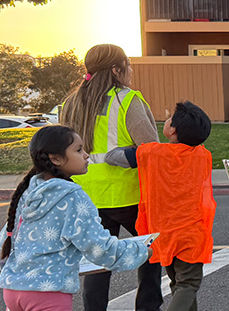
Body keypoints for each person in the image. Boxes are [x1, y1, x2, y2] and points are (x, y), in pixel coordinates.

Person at [0, 126, 151, 311]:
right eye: (78, 150)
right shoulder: (72, 196)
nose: (86, 155)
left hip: (13, 290)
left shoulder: (28, 191)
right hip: (49, 294)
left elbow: (3, 243)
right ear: (56, 159)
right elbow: (99, 248)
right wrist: (142, 251)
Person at [60, 44, 163, 311]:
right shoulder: (127, 100)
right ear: (117, 70)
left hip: (86, 196)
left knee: (97, 263)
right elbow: (151, 148)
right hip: (128, 194)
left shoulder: (70, 104)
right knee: (150, 253)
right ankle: (147, 307)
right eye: (127, 65)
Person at [104, 101, 215, 311]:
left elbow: (113, 158)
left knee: (178, 283)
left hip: (162, 231)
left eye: (169, 119)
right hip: (191, 233)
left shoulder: (151, 153)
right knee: (188, 283)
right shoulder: (204, 156)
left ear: (172, 130)